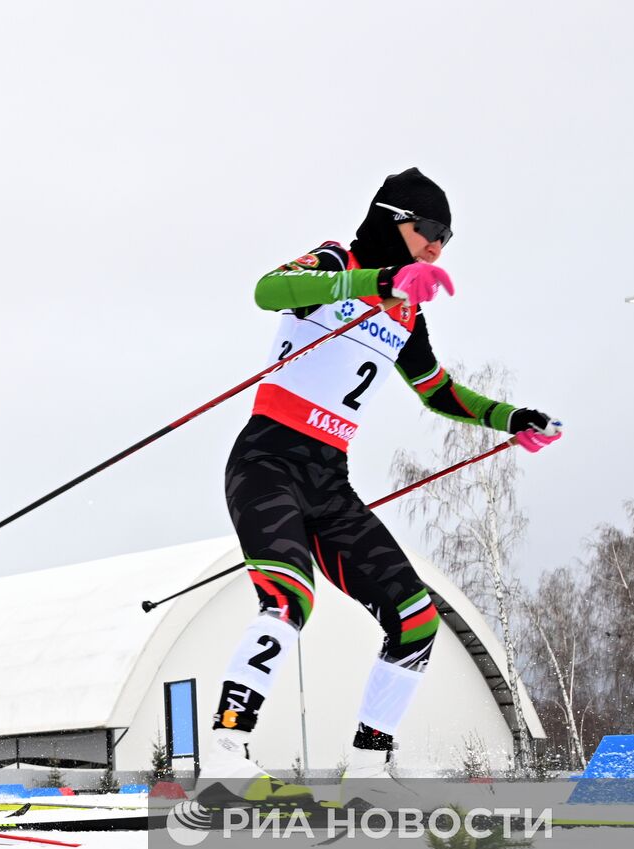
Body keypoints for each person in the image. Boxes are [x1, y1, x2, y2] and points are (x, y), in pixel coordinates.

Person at [203, 167, 560, 801]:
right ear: (394, 219)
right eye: (429, 231)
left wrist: (511, 417)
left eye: (447, 239)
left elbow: (437, 390)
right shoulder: (337, 263)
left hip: (328, 480)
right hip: (267, 462)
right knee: (289, 599)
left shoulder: (407, 309)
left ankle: (367, 770)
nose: (436, 248)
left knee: (415, 618)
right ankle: (227, 754)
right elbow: (267, 290)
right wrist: (379, 280)